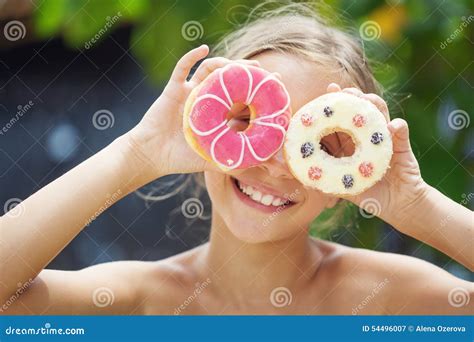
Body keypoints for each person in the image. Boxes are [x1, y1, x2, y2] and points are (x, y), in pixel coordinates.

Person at [1, 3, 472, 315]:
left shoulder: (391, 300)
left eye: (323, 147)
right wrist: (136, 153)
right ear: (207, 130)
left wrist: (417, 207)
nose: (278, 165)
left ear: (344, 186)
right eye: (251, 124)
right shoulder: (137, 301)